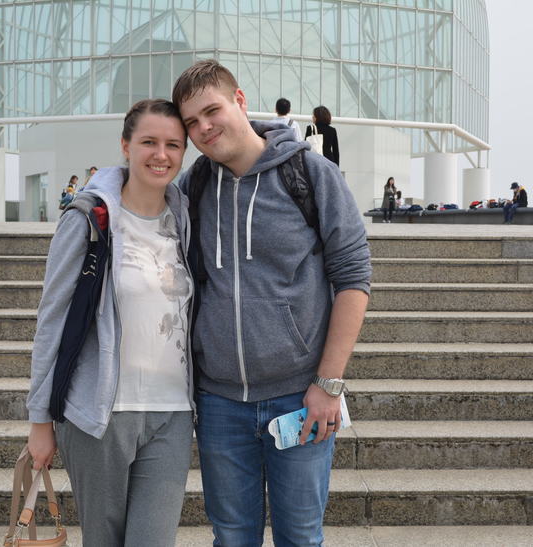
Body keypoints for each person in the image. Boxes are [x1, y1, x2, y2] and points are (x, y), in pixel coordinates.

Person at [173, 59, 371, 546]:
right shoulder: (194, 187)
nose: (203, 128)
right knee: (231, 538)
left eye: (212, 111)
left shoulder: (311, 173)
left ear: (239, 101)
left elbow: (353, 278)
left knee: (300, 537)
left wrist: (328, 384)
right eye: (192, 122)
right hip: (220, 403)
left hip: (299, 397)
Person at [26, 99, 194, 547]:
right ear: (125, 146)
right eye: (149, 142)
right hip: (100, 416)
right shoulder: (88, 218)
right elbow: (52, 319)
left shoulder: (184, 218)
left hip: (173, 414)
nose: (161, 154)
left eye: (173, 145)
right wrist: (40, 420)